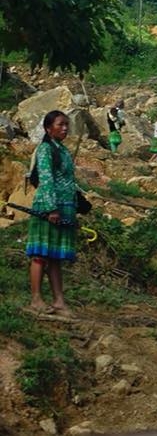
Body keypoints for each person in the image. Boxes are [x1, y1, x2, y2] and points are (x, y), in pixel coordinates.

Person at [25, 110, 78, 317]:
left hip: (65, 208)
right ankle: (36, 299)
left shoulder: (63, 151)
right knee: (40, 254)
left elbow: (66, 180)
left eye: (67, 125)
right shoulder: (46, 149)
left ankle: (59, 301)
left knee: (54, 256)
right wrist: (51, 209)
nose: (65, 128)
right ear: (48, 128)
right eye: (60, 125)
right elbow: (46, 179)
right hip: (48, 209)